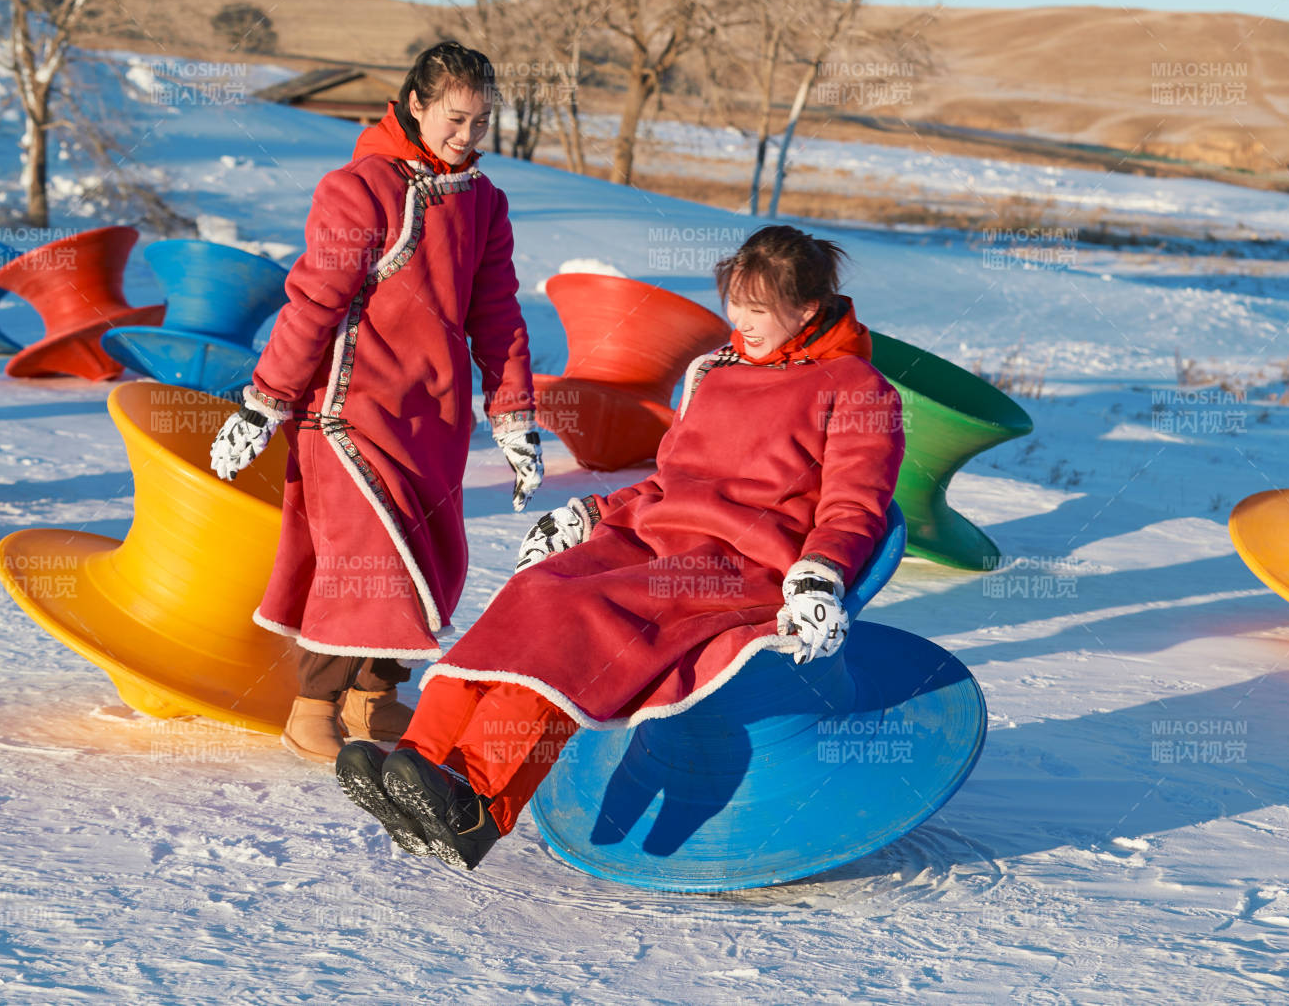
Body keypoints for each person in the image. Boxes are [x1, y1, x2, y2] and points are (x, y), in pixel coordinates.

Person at [335, 225, 906, 870]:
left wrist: (819, 573)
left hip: (734, 564)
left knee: (581, 617)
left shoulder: (859, 390)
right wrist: (593, 512)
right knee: (535, 591)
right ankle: (422, 759)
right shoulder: (717, 373)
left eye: (757, 309)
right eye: (734, 304)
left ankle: (477, 799)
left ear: (806, 310)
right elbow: (671, 480)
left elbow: (856, 503)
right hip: (652, 536)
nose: (739, 322)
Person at [209, 42, 542, 764]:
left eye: (482, 123)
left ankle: (375, 697)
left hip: (434, 417)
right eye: (456, 118)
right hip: (348, 411)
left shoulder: (484, 202)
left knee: (429, 559)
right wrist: (264, 402)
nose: (468, 136)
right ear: (415, 104)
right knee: (361, 562)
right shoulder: (359, 189)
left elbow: (498, 313)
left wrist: (513, 415)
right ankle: (312, 706)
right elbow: (313, 305)